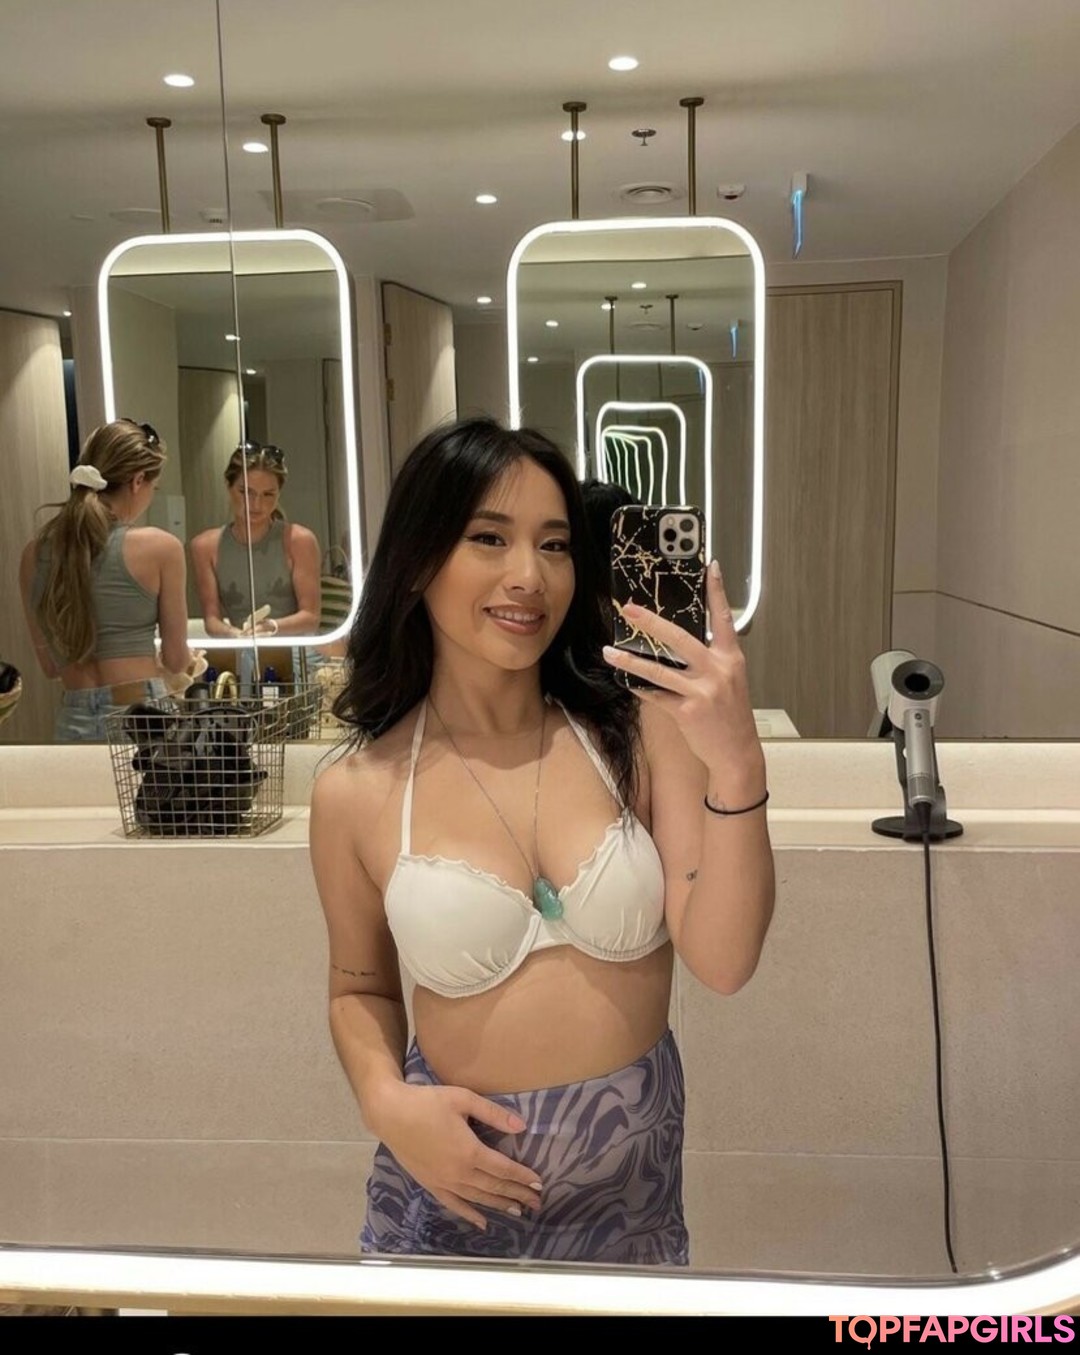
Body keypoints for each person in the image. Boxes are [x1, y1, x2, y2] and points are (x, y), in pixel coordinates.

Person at [308, 417, 774, 1266]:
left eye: (555, 545)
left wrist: (738, 764)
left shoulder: (636, 734)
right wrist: (385, 1100)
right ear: (418, 558)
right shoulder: (356, 791)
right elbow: (359, 987)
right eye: (489, 537)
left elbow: (725, 961)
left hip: (631, 1215)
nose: (529, 575)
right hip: (450, 1208)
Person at [19, 419, 197, 743]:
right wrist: (184, 662)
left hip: (73, 722)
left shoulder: (34, 554)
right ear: (138, 480)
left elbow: (51, 667)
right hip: (143, 721)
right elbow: (176, 660)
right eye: (153, 488)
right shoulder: (161, 548)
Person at [189, 442, 320, 641]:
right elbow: (212, 620)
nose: (256, 504)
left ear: (279, 494)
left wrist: (272, 627)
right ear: (229, 487)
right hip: (242, 650)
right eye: (246, 492)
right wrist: (235, 634)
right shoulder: (205, 547)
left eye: (268, 494)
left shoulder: (299, 541)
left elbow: (310, 617)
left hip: (298, 653)